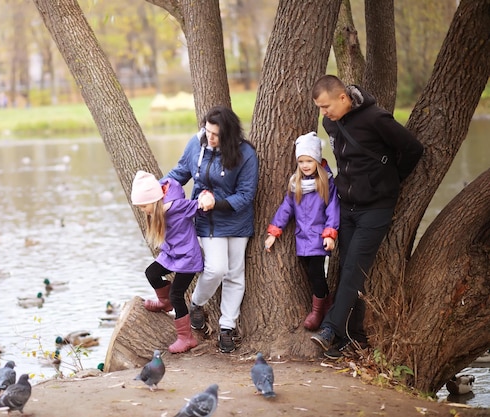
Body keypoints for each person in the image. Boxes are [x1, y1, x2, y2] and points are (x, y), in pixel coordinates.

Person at [310, 75, 424, 359]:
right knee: (348, 270)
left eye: (326, 106)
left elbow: (413, 149)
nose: (324, 113)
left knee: (352, 270)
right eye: (320, 109)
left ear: (343, 97)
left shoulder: (376, 119)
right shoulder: (331, 123)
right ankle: (355, 337)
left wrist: (391, 180)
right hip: (346, 207)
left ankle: (329, 329)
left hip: (375, 209)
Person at [164, 105, 259, 353]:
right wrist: (158, 189)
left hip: (237, 221)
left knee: (235, 275)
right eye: (207, 130)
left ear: (228, 135)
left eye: (215, 134)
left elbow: (246, 195)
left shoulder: (246, 153)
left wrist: (218, 202)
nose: (209, 137)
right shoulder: (196, 145)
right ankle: (196, 303)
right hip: (207, 221)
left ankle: (226, 327)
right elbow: (179, 173)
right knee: (216, 269)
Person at [131, 170, 214, 353]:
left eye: (144, 207)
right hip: (170, 254)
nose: (143, 211)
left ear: (153, 200)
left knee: (177, 294)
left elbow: (201, 208)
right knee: (151, 273)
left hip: (188, 258)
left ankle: (186, 338)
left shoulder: (178, 206)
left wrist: (206, 197)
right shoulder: (158, 209)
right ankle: (164, 302)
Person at [265, 131, 340, 331]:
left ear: (317, 159)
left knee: (317, 272)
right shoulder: (295, 183)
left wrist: (330, 234)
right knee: (310, 273)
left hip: (318, 237)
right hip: (302, 237)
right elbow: (286, 208)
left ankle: (319, 311)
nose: (305, 165)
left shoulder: (326, 182)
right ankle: (326, 305)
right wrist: (274, 232)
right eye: (301, 161)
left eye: (309, 160)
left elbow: (333, 209)